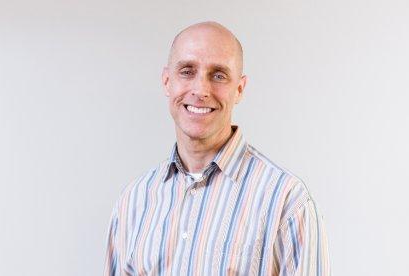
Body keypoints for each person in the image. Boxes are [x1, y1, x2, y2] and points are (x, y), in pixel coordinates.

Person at [104, 21, 330, 275]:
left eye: (218, 75)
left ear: (239, 89)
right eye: (187, 71)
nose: (201, 89)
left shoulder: (286, 201)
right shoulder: (133, 201)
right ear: (167, 81)